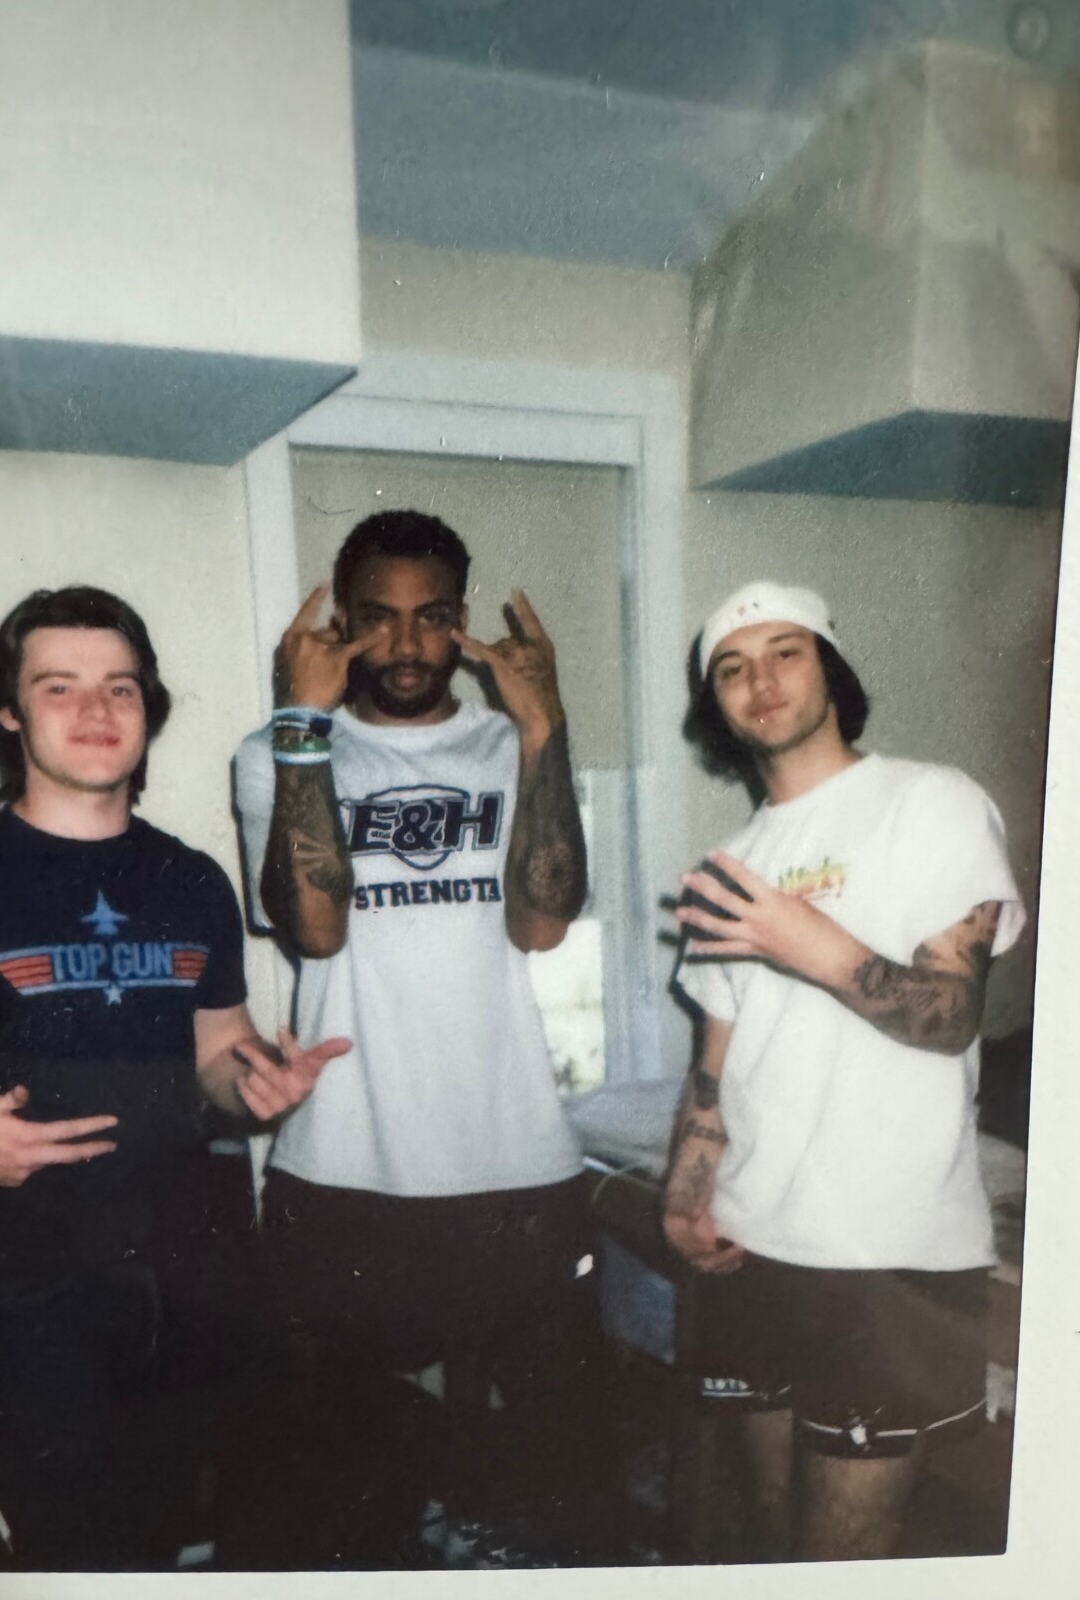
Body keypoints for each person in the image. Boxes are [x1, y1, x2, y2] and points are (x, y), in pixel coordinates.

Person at [0, 585, 350, 1571]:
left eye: (120, 686)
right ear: (8, 712)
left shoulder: (191, 879)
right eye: (59, 686)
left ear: (148, 707)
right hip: (25, 1302)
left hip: (196, 1287)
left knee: (179, 1547)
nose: (97, 709)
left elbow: (218, 1054)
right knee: (76, 1560)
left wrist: (257, 1085)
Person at [233, 510, 598, 1563]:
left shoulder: (512, 744)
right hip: (343, 1168)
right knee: (343, 1492)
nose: (403, 644)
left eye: (431, 617)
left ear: (462, 622)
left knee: (553, 1482)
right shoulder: (277, 749)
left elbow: (543, 920)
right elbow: (315, 928)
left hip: (515, 1167)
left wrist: (544, 728)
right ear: (341, 623)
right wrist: (303, 724)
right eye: (376, 618)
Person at [664, 579, 1025, 1562]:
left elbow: (949, 1016)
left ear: (830, 669)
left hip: (885, 1258)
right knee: (773, 1534)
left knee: (843, 1559)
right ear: (715, 706)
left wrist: (811, 944)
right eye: (731, 668)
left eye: (785, 652)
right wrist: (687, 1188)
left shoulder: (932, 801)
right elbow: (716, 1059)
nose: (760, 681)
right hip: (750, 1242)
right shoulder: (731, 862)